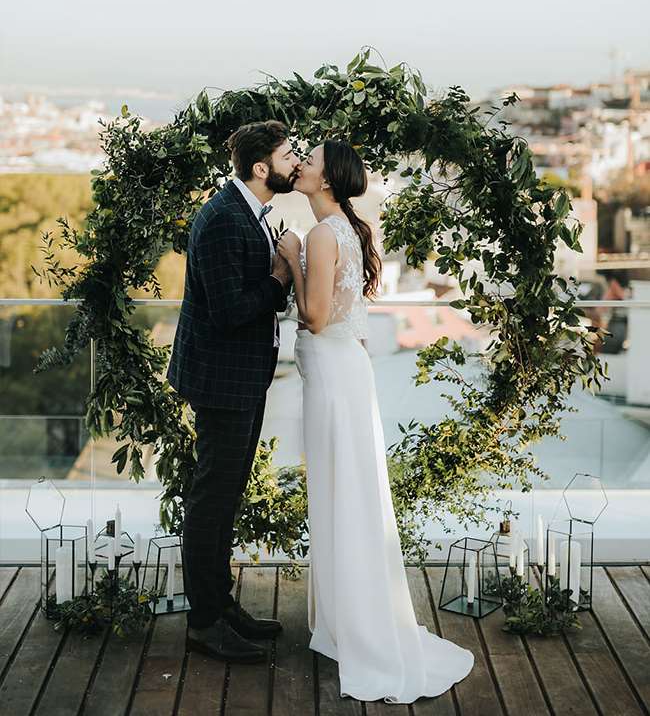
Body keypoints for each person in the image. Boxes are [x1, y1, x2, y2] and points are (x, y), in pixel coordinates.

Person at [277, 140, 474, 704]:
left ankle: (356, 627)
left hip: (334, 377)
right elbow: (347, 319)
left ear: (329, 180)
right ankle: (351, 618)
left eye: (309, 161)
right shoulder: (349, 228)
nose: (302, 166)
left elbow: (315, 318)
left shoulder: (318, 234)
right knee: (354, 495)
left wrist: (290, 257)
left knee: (341, 495)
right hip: (347, 371)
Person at [167, 120, 301, 663]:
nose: (297, 160)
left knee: (225, 496)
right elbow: (227, 312)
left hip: (241, 375)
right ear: (261, 167)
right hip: (222, 379)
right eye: (290, 154)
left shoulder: (247, 210)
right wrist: (279, 280)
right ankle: (204, 622)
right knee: (212, 498)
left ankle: (220, 606)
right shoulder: (224, 219)